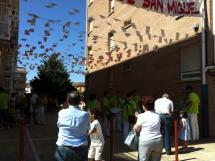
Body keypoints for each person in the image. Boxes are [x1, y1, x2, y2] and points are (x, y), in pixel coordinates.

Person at [54, 91, 90, 161]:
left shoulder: (61, 113)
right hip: (81, 148)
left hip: (63, 147)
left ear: (67, 101)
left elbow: (58, 125)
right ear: (80, 101)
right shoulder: (85, 114)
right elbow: (87, 128)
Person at [134, 96, 163, 161]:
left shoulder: (142, 116)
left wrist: (137, 119)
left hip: (146, 140)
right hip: (158, 140)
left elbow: (136, 129)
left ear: (143, 106)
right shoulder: (157, 115)